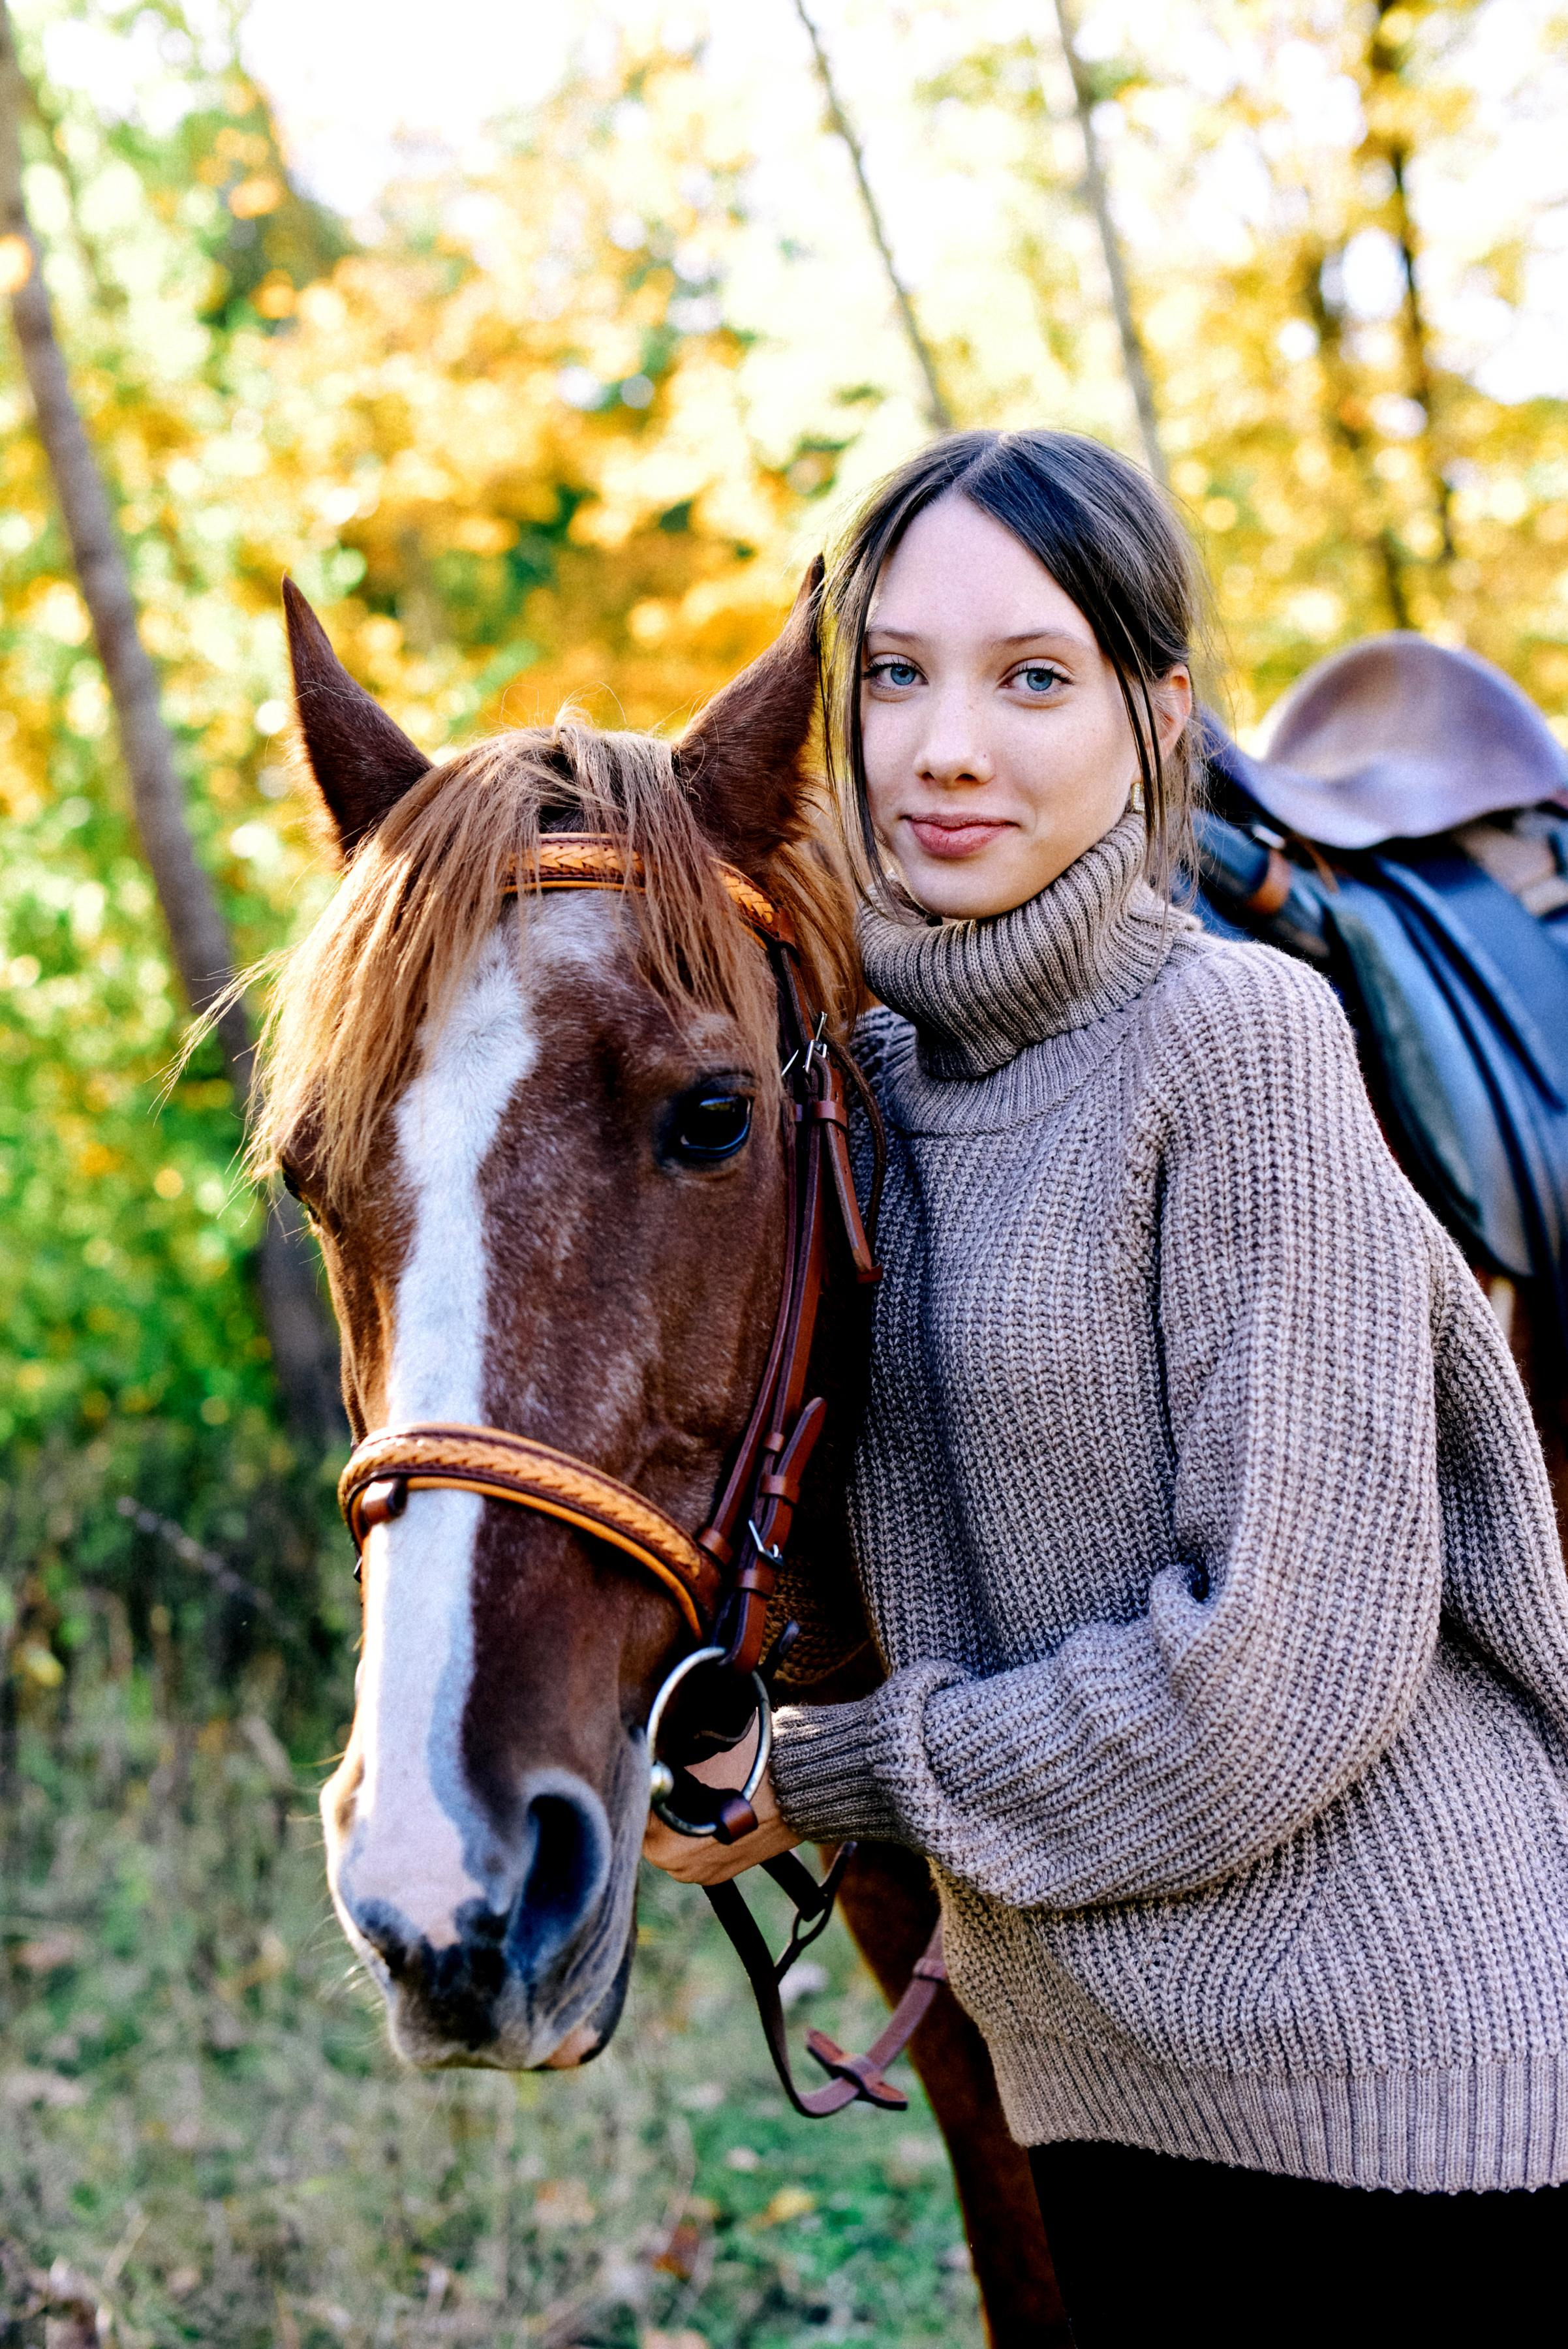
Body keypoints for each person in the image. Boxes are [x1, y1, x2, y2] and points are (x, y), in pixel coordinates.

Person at [644, 429, 1568, 2345]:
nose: (944, 747)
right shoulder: (861, 1093)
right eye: (895, 674)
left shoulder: (1238, 1038)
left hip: (1395, 2094)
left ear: (1157, 721)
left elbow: (1266, 1680)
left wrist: (813, 1776)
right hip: (1112, 2089)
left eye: (1030, 678)